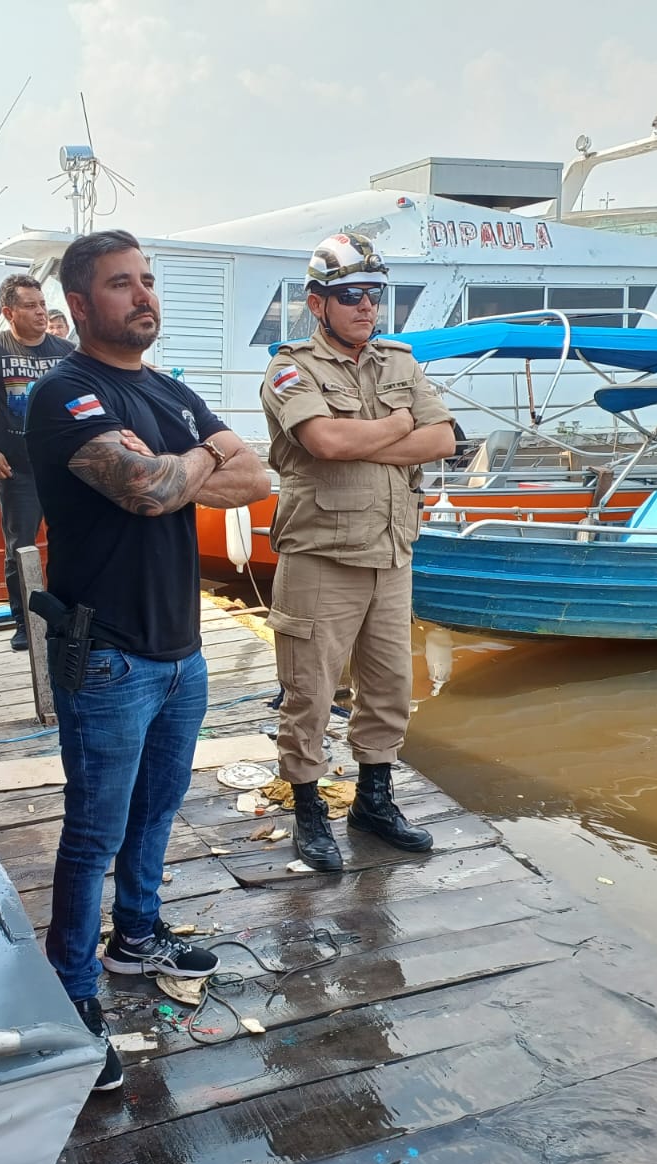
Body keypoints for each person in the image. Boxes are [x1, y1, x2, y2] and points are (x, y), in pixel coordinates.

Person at [27, 230, 270, 1092]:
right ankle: (72, 992)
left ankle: (136, 938)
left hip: (181, 649)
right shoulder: (66, 394)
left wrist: (182, 464)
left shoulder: (168, 391)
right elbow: (149, 490)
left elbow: (259, 477)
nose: (144, 297)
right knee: (92, 834)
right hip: (109, 657)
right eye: (122, 284)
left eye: (149, 282)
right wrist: (200, 458)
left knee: (158, 813)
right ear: (81, 306)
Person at [260, 233, 458, 872]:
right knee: (309, 692)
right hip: (321, 555)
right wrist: (400, 427)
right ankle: (309, 808)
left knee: (390, 687)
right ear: (317, 304)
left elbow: (444, 439)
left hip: (391, 553)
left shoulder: (397, 361)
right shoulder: (291, 367)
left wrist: (371, 437)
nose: (366, 307)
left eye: (373, 294)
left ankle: (374, 798)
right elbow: (324, 441)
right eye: (350, 296)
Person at [0, 275, 75, 651]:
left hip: (63, 468)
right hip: (17, 467)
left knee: (71, 541)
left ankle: (69, 614)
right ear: (8, 312)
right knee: (20, 546)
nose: (40, 312)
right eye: (30, 306)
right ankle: (24, 622)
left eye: (42, 304)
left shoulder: (64, 349)